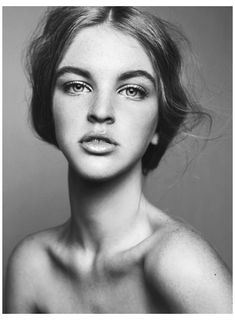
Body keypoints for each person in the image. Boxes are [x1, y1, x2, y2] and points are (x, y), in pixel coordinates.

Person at [4, 6, 232, 313]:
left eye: (132, 90)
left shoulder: (181, 263)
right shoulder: (31, 266)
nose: (101, 111)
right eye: (77, 85)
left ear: (158, 125)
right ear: (49, 109)